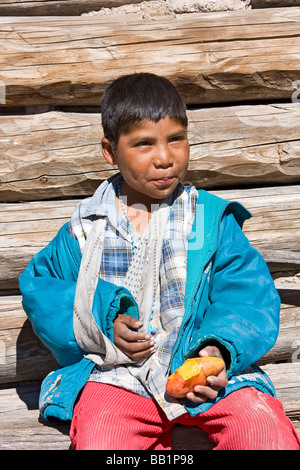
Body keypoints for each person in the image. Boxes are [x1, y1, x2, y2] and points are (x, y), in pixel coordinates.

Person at [19, 73, 300, 450]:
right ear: (110, 151)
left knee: (262, 432)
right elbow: (43, 289)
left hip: (203, 373)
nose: (165, 158)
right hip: (117, 375)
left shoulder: (207, 221)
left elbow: (246, 294)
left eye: (176, 139)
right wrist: (105, 319)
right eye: (144, 144)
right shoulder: (86, 230)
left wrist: (217, 349)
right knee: (103, 439)